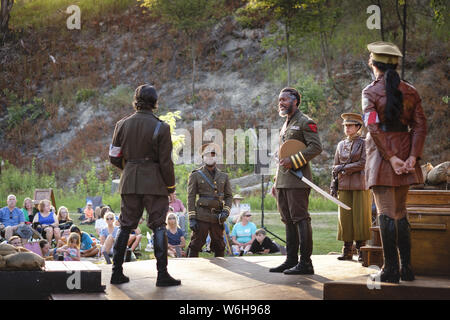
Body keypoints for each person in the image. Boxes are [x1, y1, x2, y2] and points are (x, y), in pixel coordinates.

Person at [363, 42, 427, 283]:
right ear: (396, 64)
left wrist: (391, 157)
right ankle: (406, 268)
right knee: (400, 212)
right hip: (405, 152)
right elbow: (420, 126)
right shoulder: (411, 90)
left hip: (382, 158)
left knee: (386, 212)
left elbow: (372, 125)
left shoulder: (369, 92)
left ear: (373, 64)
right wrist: (412, 156)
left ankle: (390, 270)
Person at [109, 84, 180, 286]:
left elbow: (113, 157)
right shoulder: (162, 127)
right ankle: (162, 275)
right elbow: (166, 163)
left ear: (136, 101)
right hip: (155, 184)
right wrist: (170, 188)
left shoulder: (121, 124)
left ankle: (116, 273)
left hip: (129, 181)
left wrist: (130, 168)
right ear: (155, 102)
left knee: (125, 226)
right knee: (158, 226)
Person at [270, 87, 323, 275]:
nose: (281, 103)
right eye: (279, 100)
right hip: (283, 180)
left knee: (300, 219)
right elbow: (283, 154)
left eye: (284, 99)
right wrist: (276, 181)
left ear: (295, 101)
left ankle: (305, 263)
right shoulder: (285, 124)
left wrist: (293, 161)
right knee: (287, 220)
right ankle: (291, 260)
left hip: (298, 180)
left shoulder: (305, 122)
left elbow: (316, 148)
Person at [331, 113, 372, 262]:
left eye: (350, 125)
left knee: (360, 218)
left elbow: (363, 163)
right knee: (345, 218)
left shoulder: (365, 143)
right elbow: (334, 167)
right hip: (343, 185)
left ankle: (362, 250)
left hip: (360, 184)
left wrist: (343, 167)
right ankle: (347, 250)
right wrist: (333, 185)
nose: (347, 128)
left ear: (358, 127)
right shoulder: (340, 144)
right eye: (345, 126)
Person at [187, 143, 233, 258]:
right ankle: (189, 268)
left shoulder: (224, 176)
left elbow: (229, 196)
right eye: (207, 156)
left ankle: (220, 271)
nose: (209, 158)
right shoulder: (196, 175)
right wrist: (192, 217)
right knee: (196, 244)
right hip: (201, 215)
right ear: (203, 158)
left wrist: (226, 211)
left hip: (218, 216)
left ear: (216, 158)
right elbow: (191, 197)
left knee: (220, 245)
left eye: (212, 155)